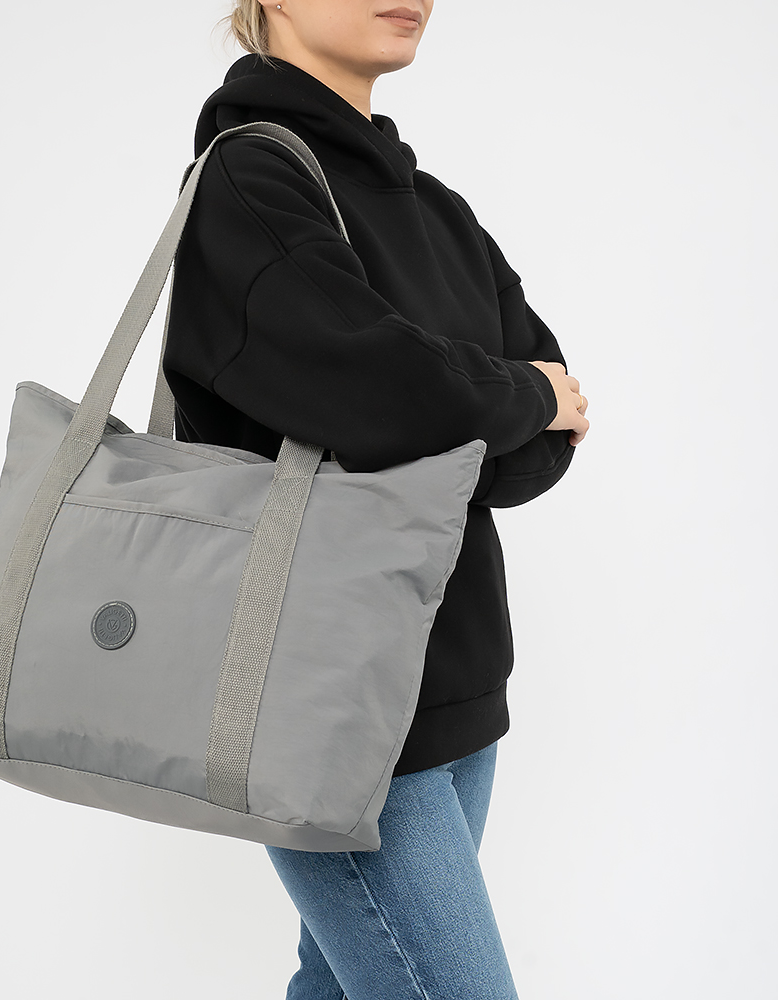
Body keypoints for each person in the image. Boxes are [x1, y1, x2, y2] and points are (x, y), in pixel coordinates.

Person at [163, 2, 590, 997]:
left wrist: (470, 420)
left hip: (459, 687)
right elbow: (394, 390)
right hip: (326, 705)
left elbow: (540, 440)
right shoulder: (247, 181)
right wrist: (518, 399)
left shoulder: (437, 210)